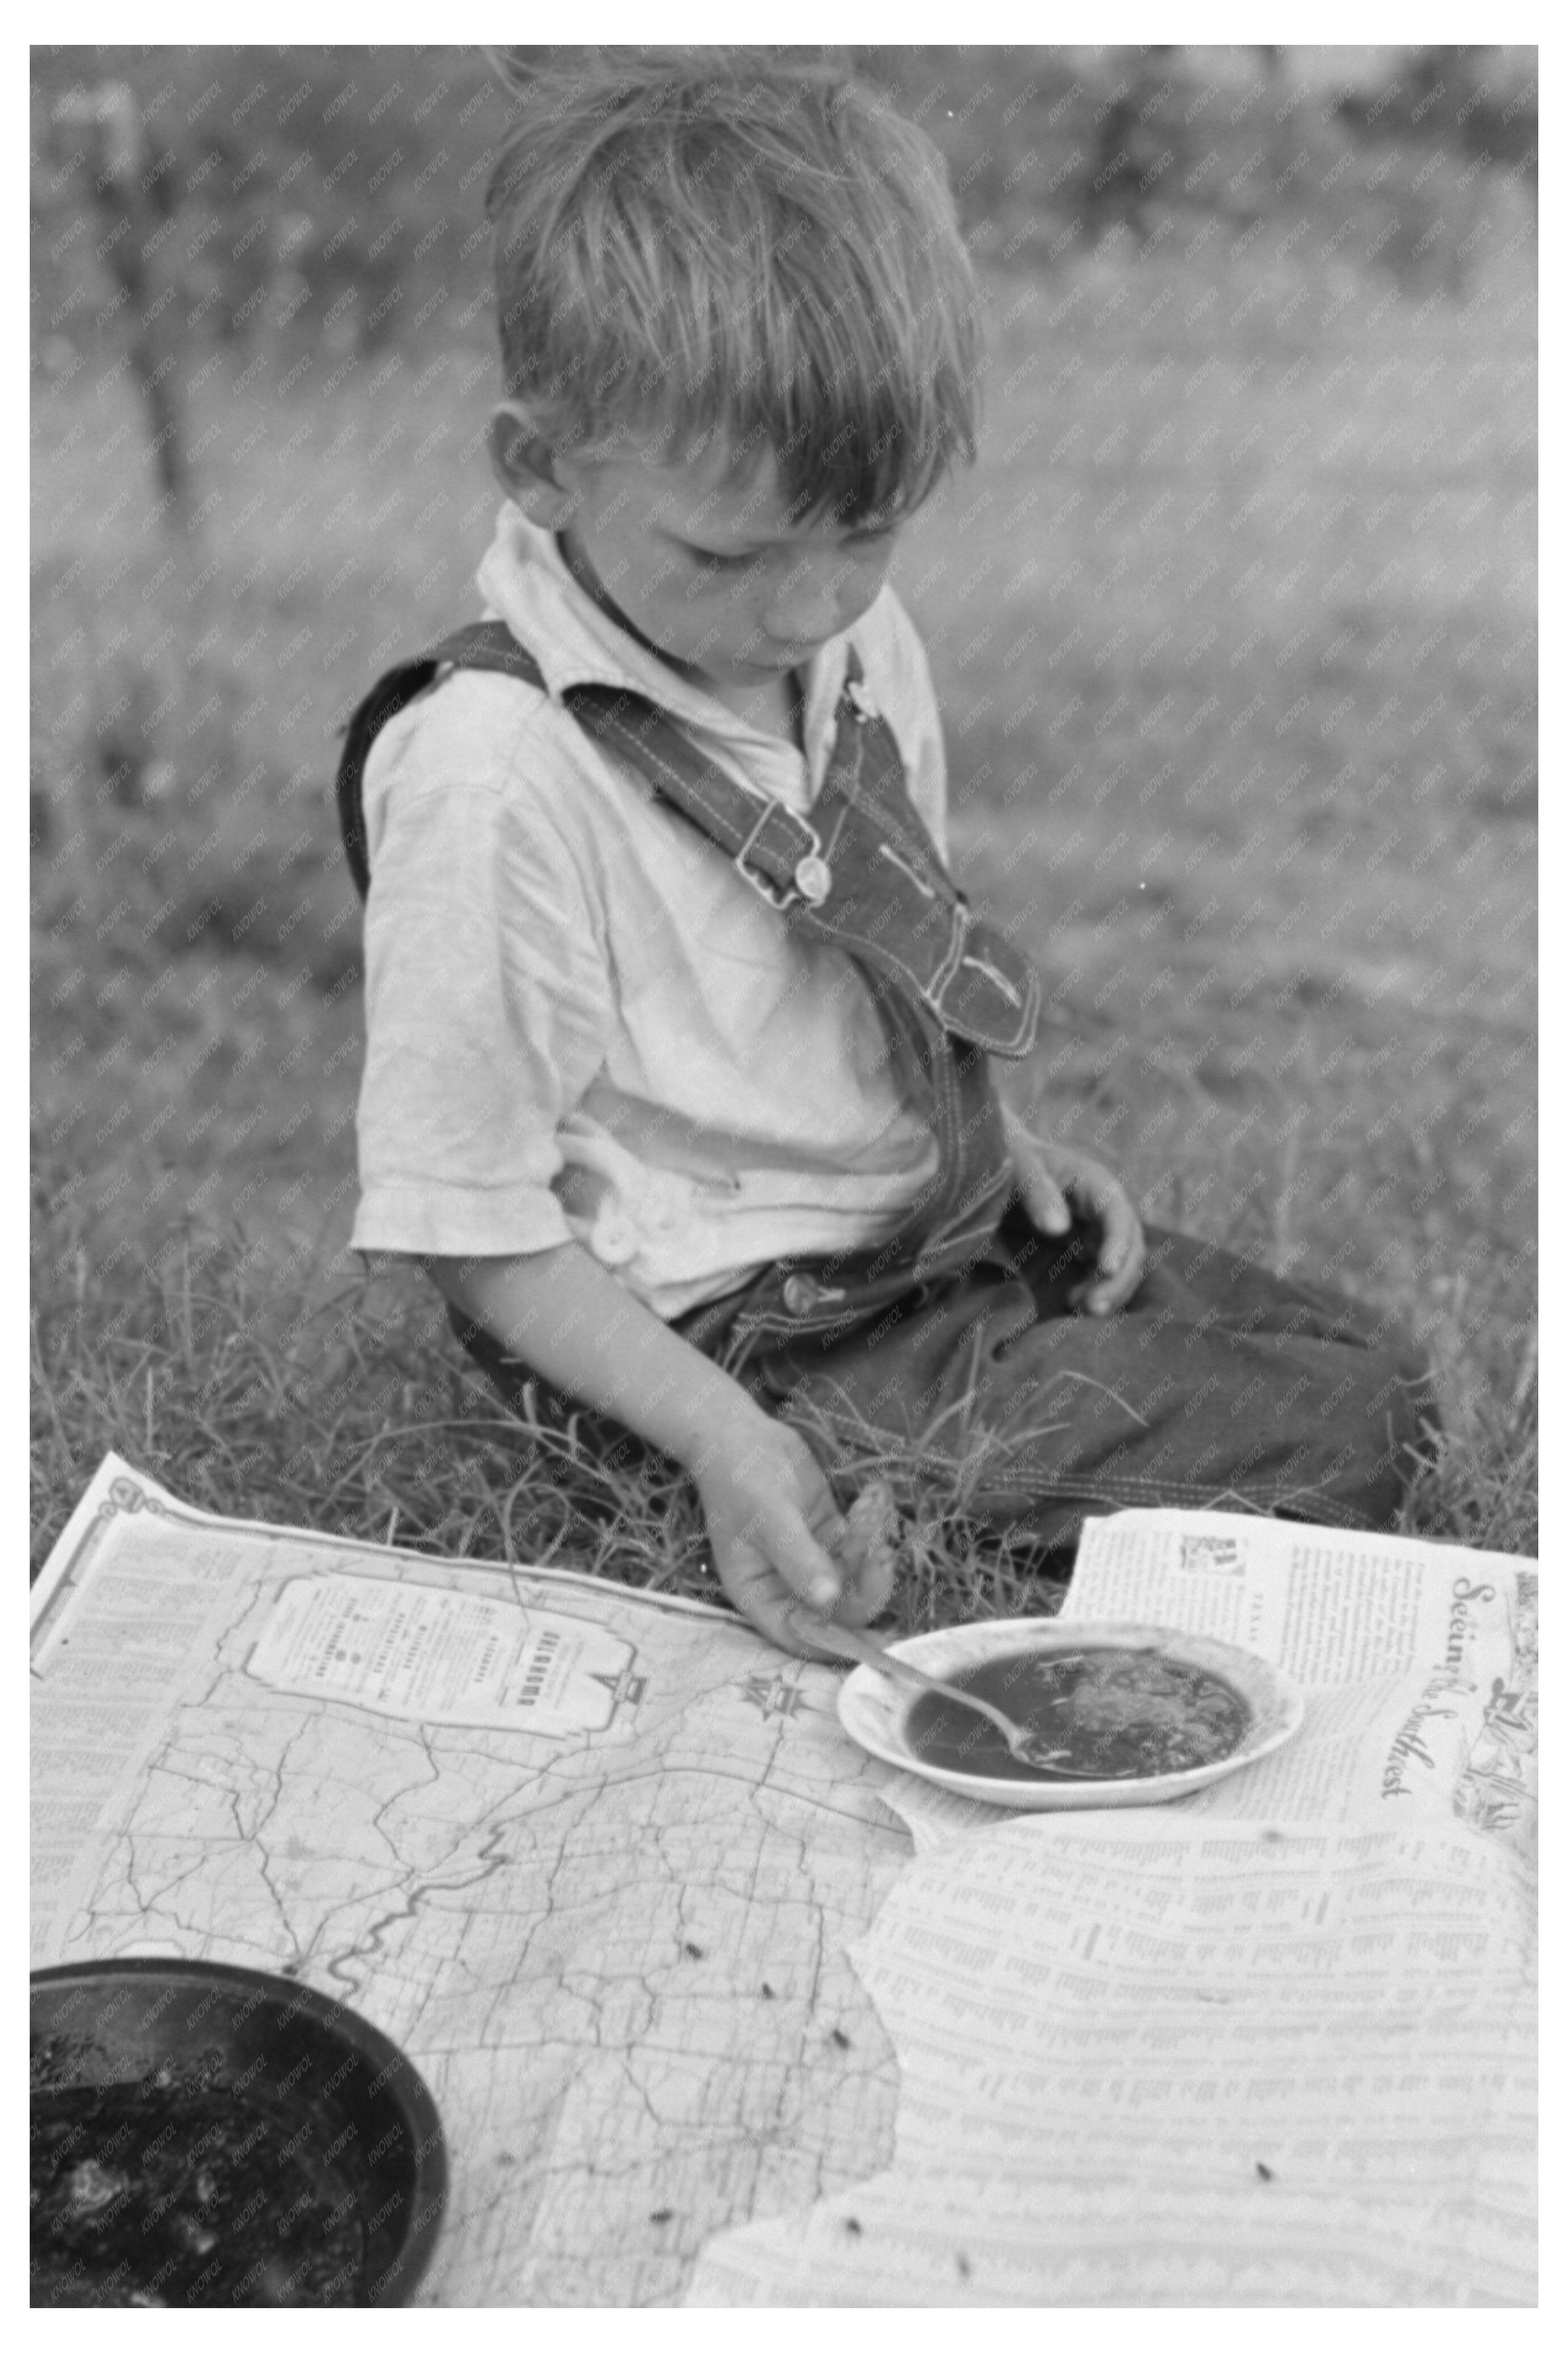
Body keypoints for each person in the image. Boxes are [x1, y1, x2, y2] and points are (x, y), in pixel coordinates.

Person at [339, 54, 1434, 1659]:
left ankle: (975, 1397)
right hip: (716, 1324)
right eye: (730, 552)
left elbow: (869, 951)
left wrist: (998, 1153)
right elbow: (468, 1223)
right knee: (1325, 1433)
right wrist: (722, 1437)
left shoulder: (852, 649)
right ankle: (799, 1473)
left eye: (862, 535)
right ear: (541, 466)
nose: (802, 608)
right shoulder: (494, 771)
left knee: (1358, 1367)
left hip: (903, 1246)